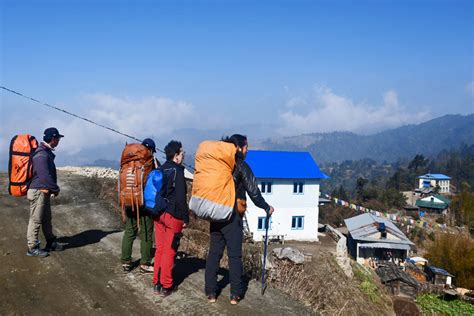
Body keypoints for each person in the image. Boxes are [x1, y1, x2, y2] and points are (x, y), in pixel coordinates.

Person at [205, 134, 274, 305]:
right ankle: (235, 295)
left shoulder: (219, 164)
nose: (248, 150)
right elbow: (254, 192)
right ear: (239, 148)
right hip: (233, 216)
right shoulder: (241, 166)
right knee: (235, 256)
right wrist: (266, 207)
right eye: (246, 147)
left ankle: (211, 292)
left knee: (214, 254)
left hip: (216, 213)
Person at [153, 140, 189, 297]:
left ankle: (157, 283)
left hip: (158, 214)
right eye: (182, 153)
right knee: (170, 251)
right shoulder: (178, 171)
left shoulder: (161, 169)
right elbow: (181, 199)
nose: (183, 155)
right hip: (172, 216)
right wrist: (186, 217)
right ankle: (167, 285)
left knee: (160, 249)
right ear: (176, 156)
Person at [26, 127, 65, 257]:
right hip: (38, 191)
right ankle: (32, 247)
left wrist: (51, 189)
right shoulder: (41, 154)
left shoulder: (45, 151)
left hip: (43, 191)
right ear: (53, 139)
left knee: (46, 218)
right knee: (36, 220)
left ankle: (51, 241)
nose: (59, 141)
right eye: (58, 138)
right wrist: (55, 188)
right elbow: (44, 176)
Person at [121, 138, 157, 273]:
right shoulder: (149, 162)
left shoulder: (129, 160)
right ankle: (145, 263)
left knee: (130, 231)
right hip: (144, 203)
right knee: (146, 232)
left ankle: (125, 261)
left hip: (128, 199)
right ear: (152, 150)